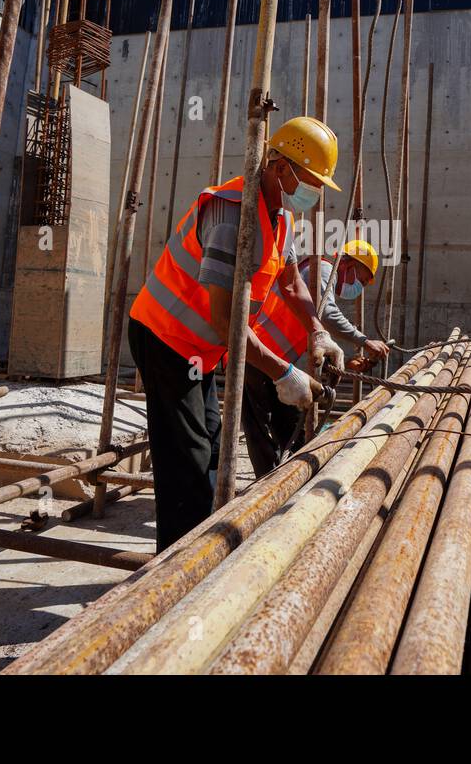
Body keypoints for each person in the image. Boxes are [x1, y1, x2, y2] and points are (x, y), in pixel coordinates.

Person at [128, 117, 347, 552]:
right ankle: (177, 569)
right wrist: (284, 373)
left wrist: (318, 332)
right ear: (279, 166)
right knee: (186, 462)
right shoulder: (233, 215)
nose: (314, 191)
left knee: (210, 446)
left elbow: (290, 283)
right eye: (310, 179)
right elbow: (225, 322)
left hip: (198, 350)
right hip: (166, 338)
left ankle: (193, 549)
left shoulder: (279, 216)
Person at [244, 239, 392, 477]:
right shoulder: (323, 269)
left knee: (286, 425)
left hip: (275, 357)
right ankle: (265, 483)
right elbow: (329, 315)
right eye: (361, 279)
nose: (358, 287)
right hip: (259, 351)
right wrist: (364, 341)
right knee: (260, 428)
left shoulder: (322, 276)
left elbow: (315, 332)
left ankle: (283, 478)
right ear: (350, 264)